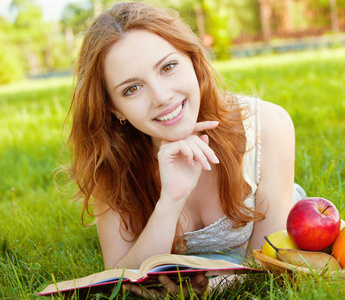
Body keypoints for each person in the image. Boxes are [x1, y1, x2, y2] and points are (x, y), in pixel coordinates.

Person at [62, 1, 305, 298]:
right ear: (114, 108)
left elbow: (267, 262)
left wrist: (212, 287)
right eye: (132, 88)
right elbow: (121, 279)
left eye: (168, 67)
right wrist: (171, 199)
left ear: (193, 59)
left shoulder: (267, 124)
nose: (162, 97)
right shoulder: (110, 161)